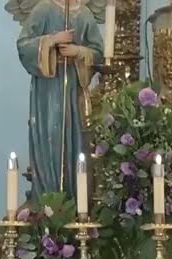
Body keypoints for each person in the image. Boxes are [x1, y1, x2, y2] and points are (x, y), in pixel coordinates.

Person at [11, 0, 104, 198]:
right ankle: (48, 198)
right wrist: (52, 40)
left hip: (74, 87)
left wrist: (79, 51)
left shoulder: (84, 14)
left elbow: (99, 52)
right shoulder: (44, 8)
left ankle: (75, 199)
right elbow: (24, 44)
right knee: (50, 136)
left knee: (76, 138)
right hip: (48, 89)